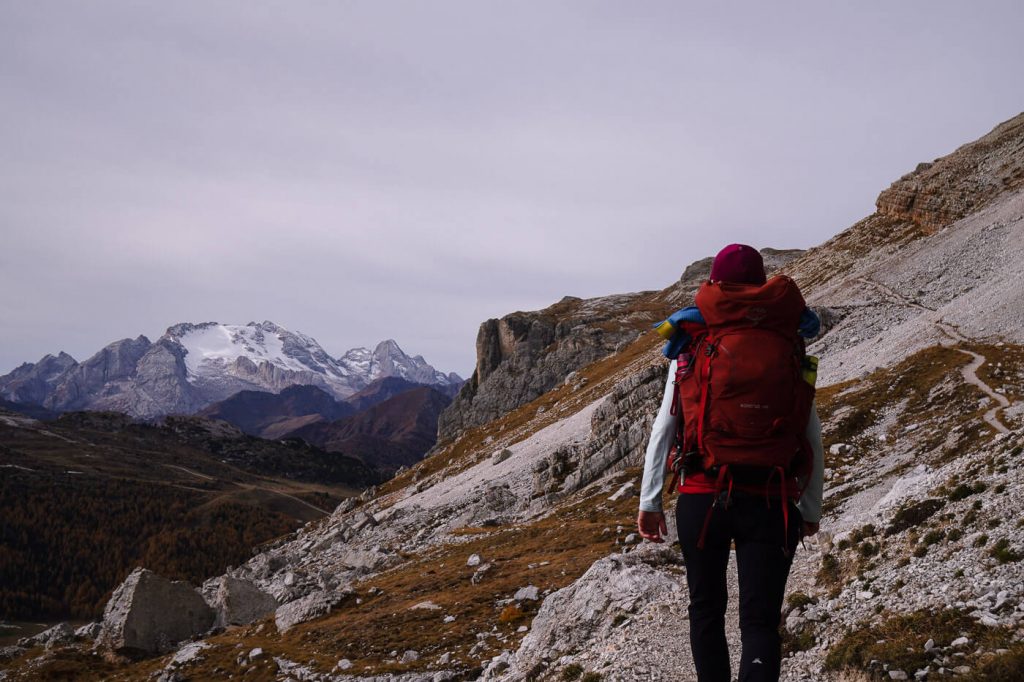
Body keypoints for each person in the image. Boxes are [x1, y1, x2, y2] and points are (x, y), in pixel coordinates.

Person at [636, 244, 824, 682]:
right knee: (759, 621)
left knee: (706, 609)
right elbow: (809, 430)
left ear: (715, 284)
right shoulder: (787, 339)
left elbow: (665, 426)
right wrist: (810, 509)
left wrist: (650, 501)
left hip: (703, 495)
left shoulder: (693, 338)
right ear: (762, 285)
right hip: (771, 498)